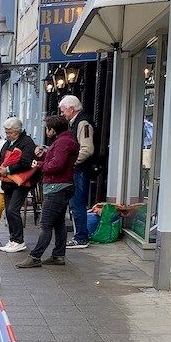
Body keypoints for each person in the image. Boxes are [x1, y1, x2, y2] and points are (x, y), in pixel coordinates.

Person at [18, 115, 79, 268]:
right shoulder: (64, 141)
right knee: (58, 223)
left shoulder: (62, 142)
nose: (46, 131)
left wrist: (39, 165)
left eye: (47, 129)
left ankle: (35, 256)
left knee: (45, 224)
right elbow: (57, 160)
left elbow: (56, 165)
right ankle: (58, 255)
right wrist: (44, 156)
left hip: (57, 186)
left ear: (53, 129)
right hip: (63, 185)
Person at [58, 95, 96, 249]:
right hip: (76, 169)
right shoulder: (76, 122)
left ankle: (81, 237)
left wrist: (70, 163)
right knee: (75, 203)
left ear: (71, 109)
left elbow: (87, 149)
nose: (62, 114)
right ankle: (79, 235)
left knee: (77, 203)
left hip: (79, 170)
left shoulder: (83, 123)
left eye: (63, 111)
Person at [0, 117, 38, 253]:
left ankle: (19, 240)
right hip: (7, 182)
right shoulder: (7, 143)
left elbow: (25, 162)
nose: (7, 135)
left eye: (10, 132)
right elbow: (2, 158)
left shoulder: (27, 142)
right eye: (6, 132)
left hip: (20, 182)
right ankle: (13, 239)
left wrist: (8, 169)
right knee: (8, 211)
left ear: (17, 131)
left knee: (13, 210)